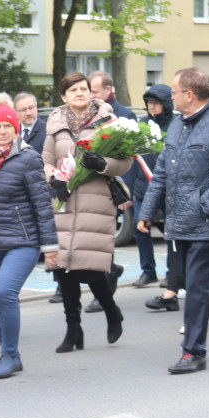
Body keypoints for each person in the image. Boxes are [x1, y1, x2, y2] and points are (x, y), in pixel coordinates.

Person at [137, 68, 209, 374]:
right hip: (179, 219)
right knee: (196, 282)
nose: (169, 97)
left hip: (208, 221)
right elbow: (161, 172)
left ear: (189, 94)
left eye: (174, 92)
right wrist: (147, 212)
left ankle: (193, 352)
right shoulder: (176, 124)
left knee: (197, 286)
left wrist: (203, 206)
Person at [44, 72, 133, 353]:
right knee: (64, 268)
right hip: (65, 201)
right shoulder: (55, 123)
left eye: (83, 89)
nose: (79, 94)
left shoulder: (108, 121)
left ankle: (111, 311)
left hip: (96, 201)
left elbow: (126, 161)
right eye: (73, 91)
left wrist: (102, 162)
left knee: (91, 266)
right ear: (63, 96)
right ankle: (74, 330)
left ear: (90, 92)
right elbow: (46, 160)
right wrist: (53, 179)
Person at [0, 95, 58, 378]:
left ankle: (10, 354)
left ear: (15, 127)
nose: (2, 131)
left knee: (4, 293)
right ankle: (9, 354)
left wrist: (49, 245)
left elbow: (42, 204)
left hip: (23, 240)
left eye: (6, 126)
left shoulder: (28, 158)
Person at [84, 70, 135, 312]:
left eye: (93, 91)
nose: (90, 95)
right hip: (86, 190)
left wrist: (125, 192)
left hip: (110, 189)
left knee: (104, 242)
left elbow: (130, 159)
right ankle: (110, 273)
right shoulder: (85, 115)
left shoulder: (125, 116)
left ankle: (103, 291)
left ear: (107, 90)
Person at [131, 85, 174, 291]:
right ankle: (148, 271)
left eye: (157, 103)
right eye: (149, 104)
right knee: (139, 228)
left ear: (166, 104)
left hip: (168, 188)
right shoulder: (141, 126)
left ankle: (172, 272)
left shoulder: (176, 125)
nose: (152, 107)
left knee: (170, 231)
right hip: (143, 187)